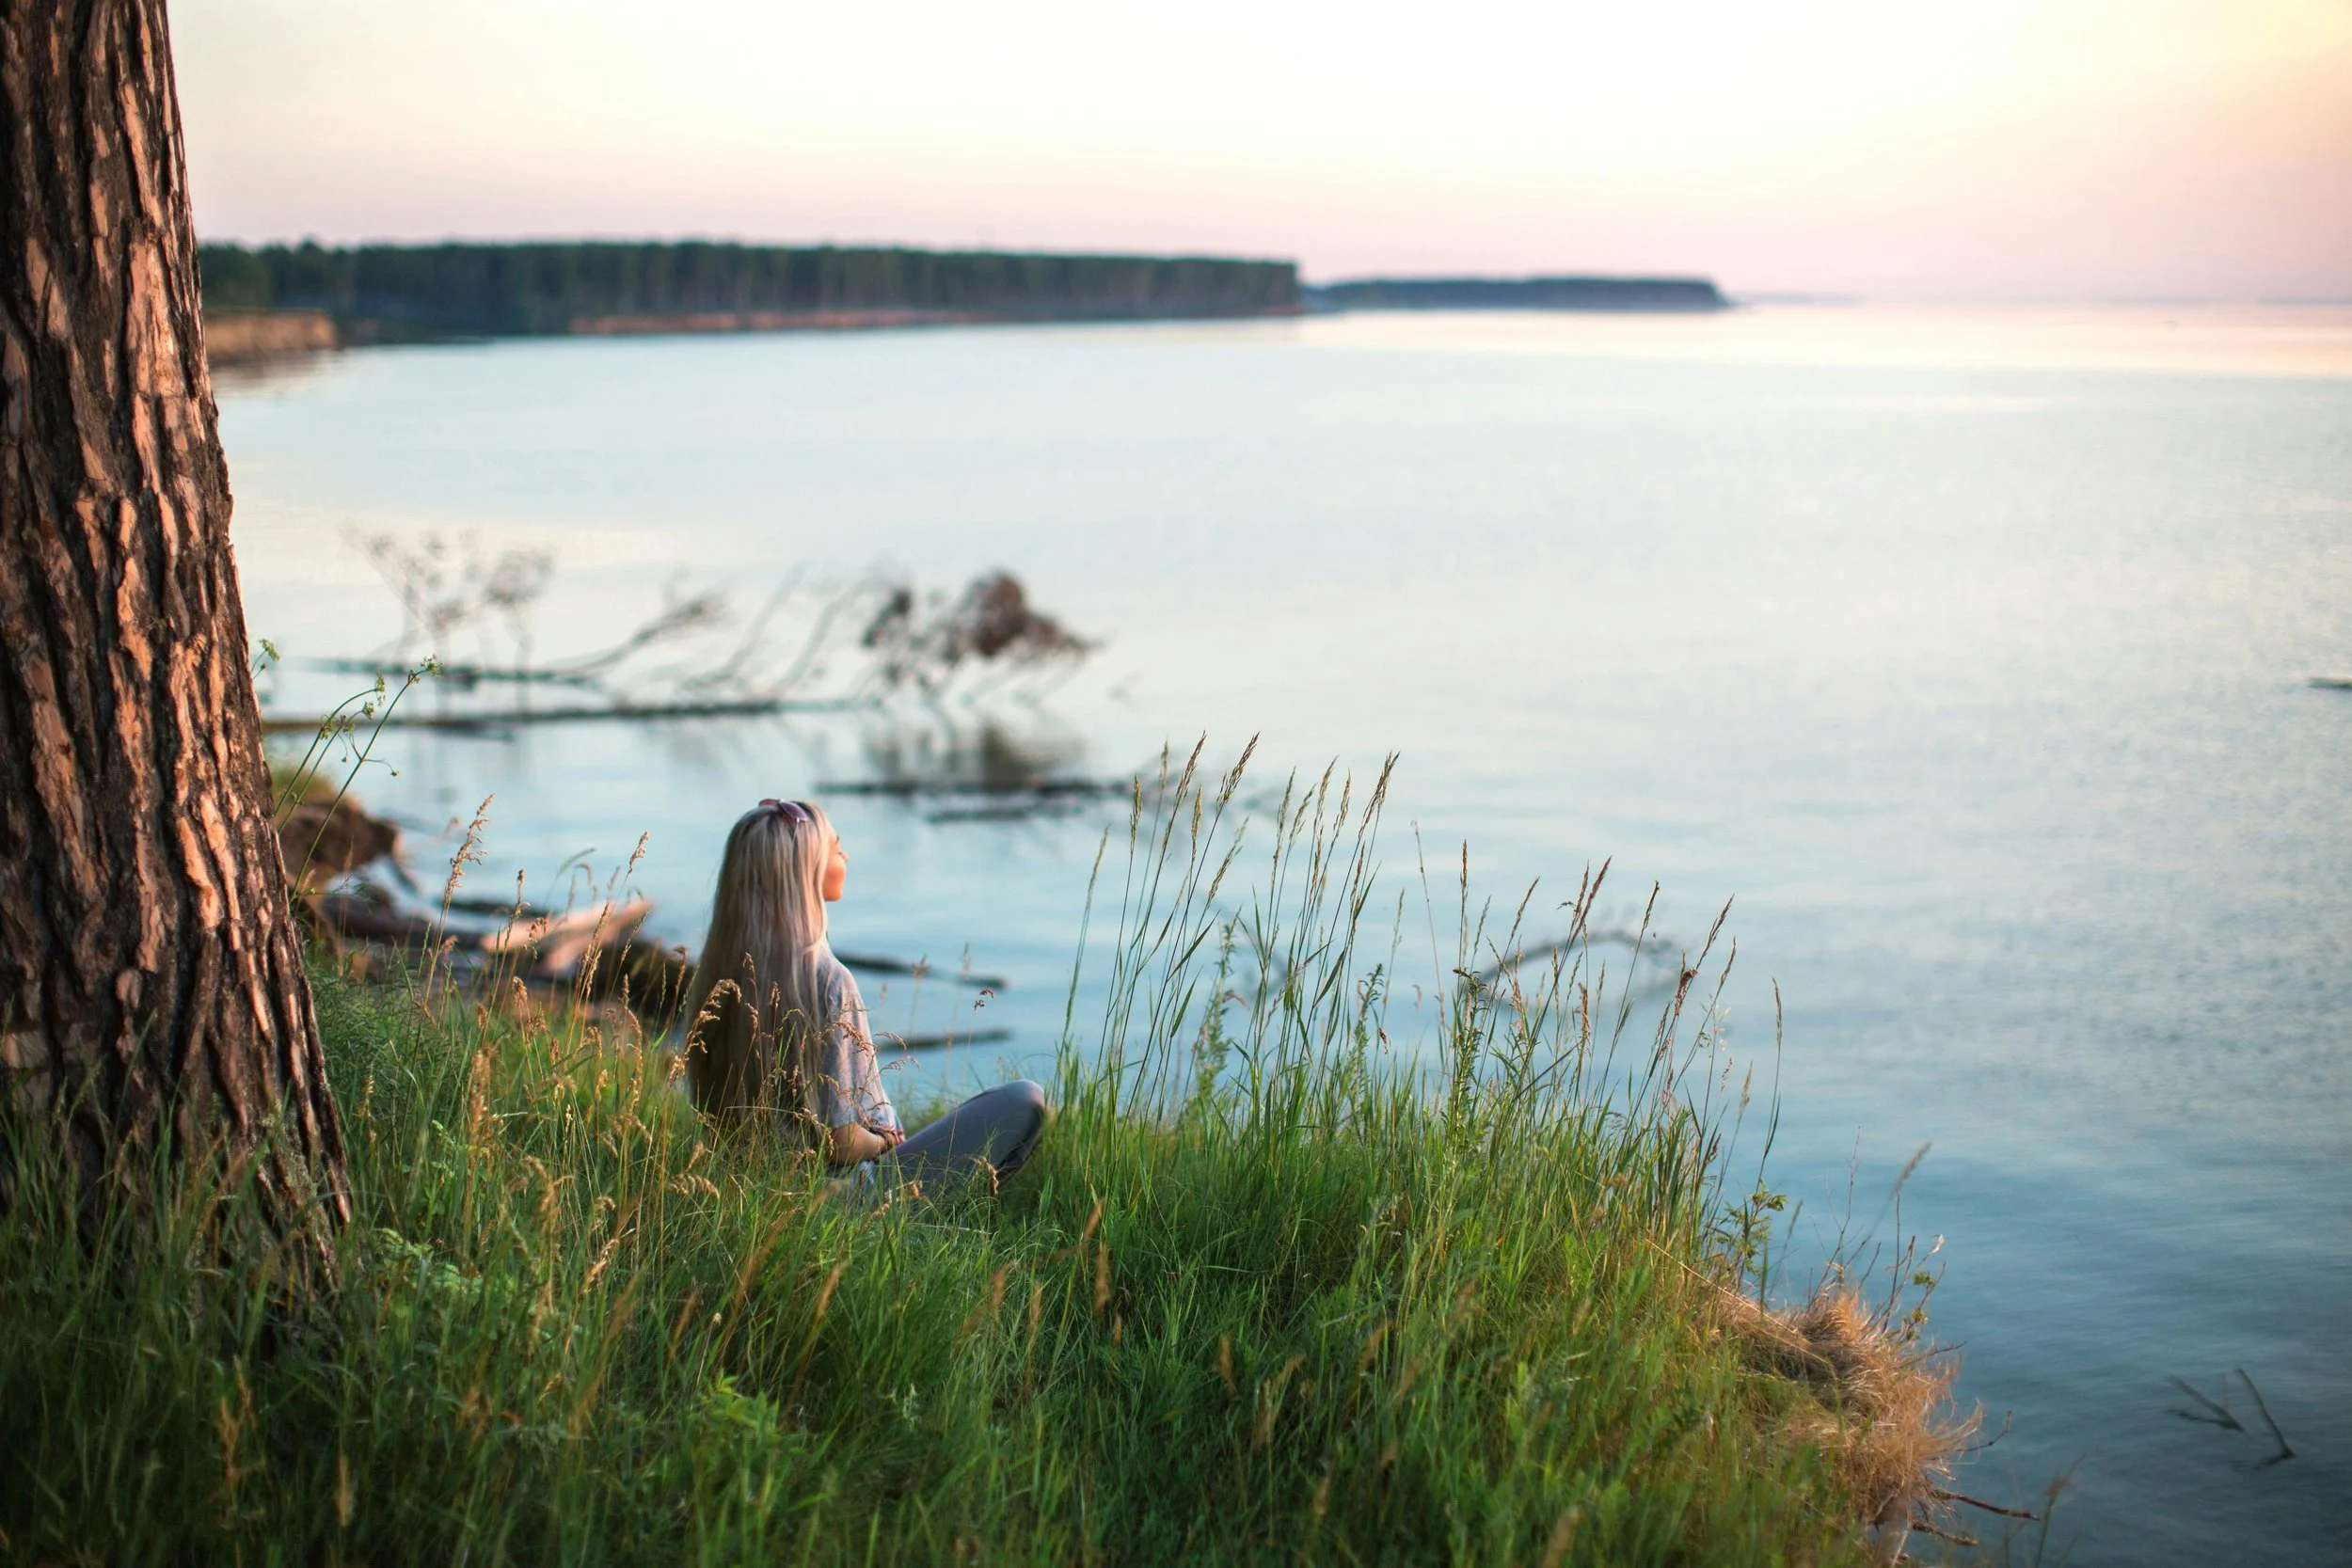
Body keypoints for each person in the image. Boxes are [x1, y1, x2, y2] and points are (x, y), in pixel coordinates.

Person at [680, 797, 1048, 1192]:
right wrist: (887, 1141)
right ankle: (930, 1219)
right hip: (851, 1196)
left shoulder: (718, 975)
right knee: (1024, 1099)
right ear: (808, 871)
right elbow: (840, 1143)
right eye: (836, 848)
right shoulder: (827, 982)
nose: (846, 855)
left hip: (753, 1193)